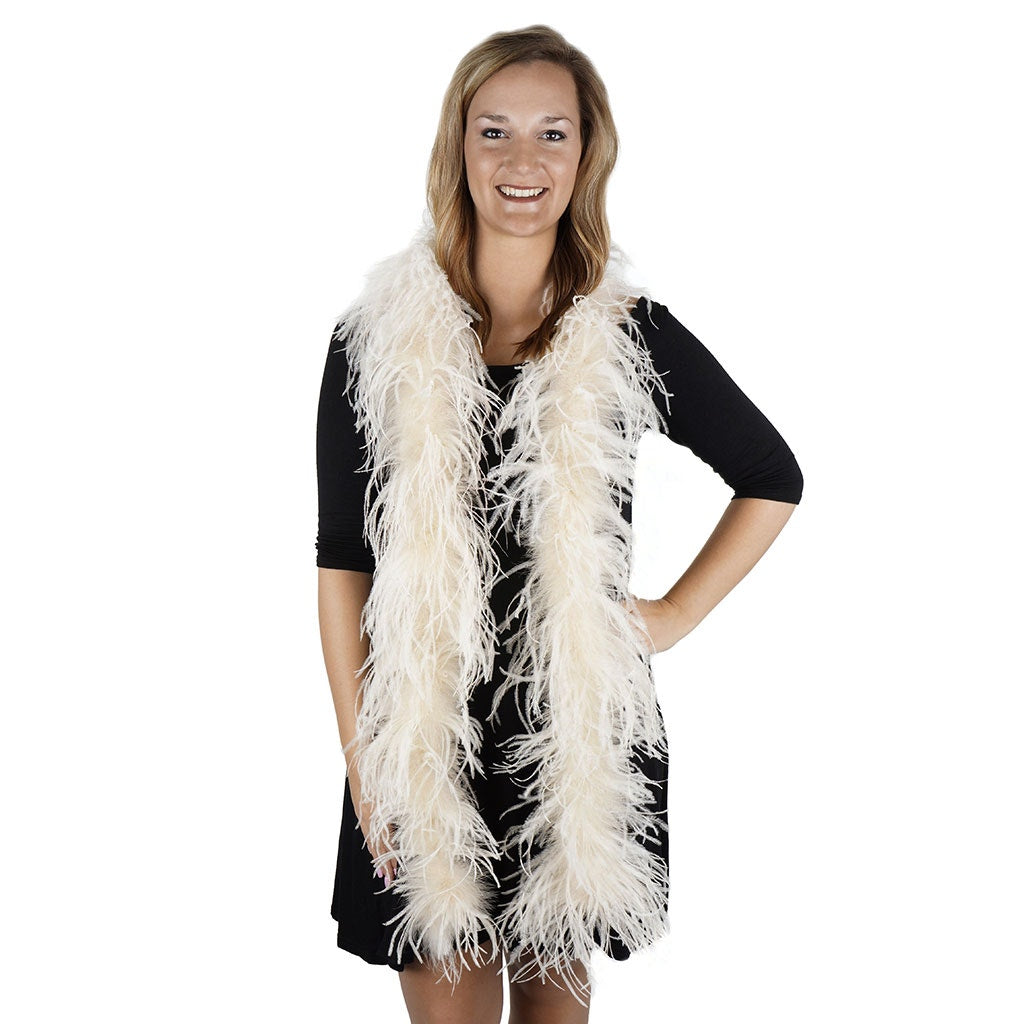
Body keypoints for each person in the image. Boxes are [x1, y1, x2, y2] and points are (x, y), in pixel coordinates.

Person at [316, 24, 803, 1024]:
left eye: (552, 133)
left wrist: (671, 615)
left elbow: (770, 475)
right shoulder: (374, 341)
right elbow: (342, 561)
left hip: (571, 732)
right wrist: (365, 760)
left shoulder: (625, 335)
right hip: (422, 733)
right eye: (493, 131)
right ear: (457, 147)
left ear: (587, 155)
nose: (522, 160)